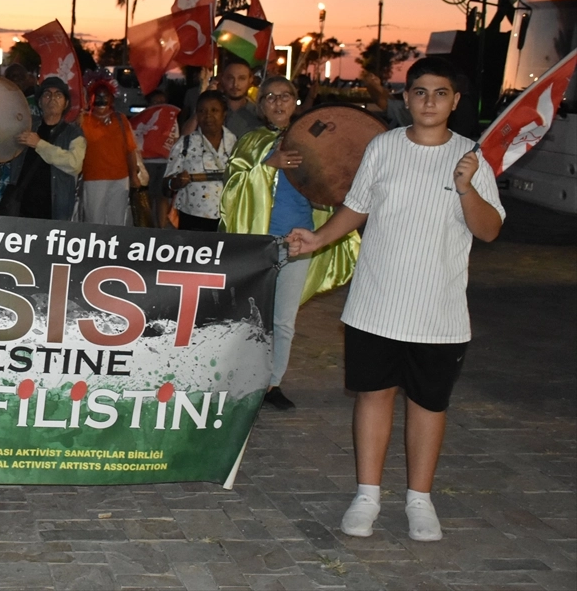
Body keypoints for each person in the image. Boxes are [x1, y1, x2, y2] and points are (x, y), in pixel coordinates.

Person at [287, 57, 503, 543]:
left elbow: (489, 230)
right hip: (377, 302)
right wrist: (318, 240)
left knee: (428, 404)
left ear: (455, 101)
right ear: (406, 98)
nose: (429, 101)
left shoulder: (471, 156)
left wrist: (466, 188)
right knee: (374, 395)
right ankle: (367, 494)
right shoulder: (382, 147)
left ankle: (419, 500)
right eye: (420, 91)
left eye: (440, 93)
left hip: (439, 311)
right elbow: (357, 206)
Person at [219, 75, 357, 410]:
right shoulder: (251, 142)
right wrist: (269, 165)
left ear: (297, 101)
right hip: (259, 243)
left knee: (283, 319)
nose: (278, 102)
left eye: (285, 95)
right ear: (261, 105)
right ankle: (242, 381)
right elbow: (232, 189)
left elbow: (335, 184)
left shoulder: (314, 140)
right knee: (250, 317)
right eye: (270, 97)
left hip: (301, 241)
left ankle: (272, 383)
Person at [3, 75, 86, 220]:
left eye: (58, 95)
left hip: (55, 210)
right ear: (40, 102)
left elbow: (74, 164)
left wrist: (39, 144)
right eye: (47, 94)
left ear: (66, 103)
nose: (52, 98)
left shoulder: (74, 133)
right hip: (22, 207)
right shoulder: (27, 126)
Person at [165, 90, 236, 231]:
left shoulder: (237, 144)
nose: (208, 116)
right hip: (192, 218)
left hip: (229, 216)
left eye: (214, 110)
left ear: (224, 114)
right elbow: (166, 187)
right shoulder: (185, 144)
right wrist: (176, 182)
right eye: (202, 111)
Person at [79, 72, 140, 226]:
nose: (101, 100)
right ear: (90, 98)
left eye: (105, 96)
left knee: (117, 221)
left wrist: (133, 176)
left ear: (112, 99)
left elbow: (130, 150)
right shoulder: (82, 121)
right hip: (93, 179)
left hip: (120, 180)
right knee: (94, 221)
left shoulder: (121, 119)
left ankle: (114, 248)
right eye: (97, 96)